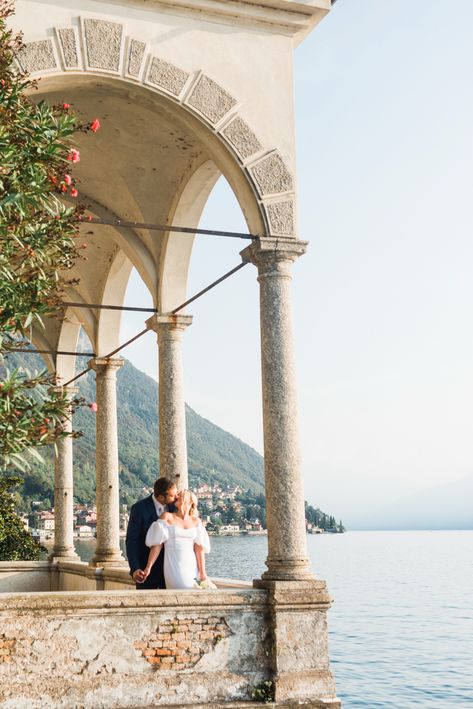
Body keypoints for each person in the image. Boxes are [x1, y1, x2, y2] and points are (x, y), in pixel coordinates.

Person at [142, 489, 210, 589]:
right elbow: (157, 545)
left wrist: (203, 573)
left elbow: (199, 549)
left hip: (192, 565)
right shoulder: (167, 517)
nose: (176, 496)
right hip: (174, 565)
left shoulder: (196, 522)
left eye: (180, 495)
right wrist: (148, 567)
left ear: (189, 500)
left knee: (194, 592)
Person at [125, 477, 177, 589]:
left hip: (171, 569)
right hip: (145, 571)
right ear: (161, 497)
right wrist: (135, 568)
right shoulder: (139, 508)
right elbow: (132, 540)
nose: (175, 498)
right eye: (172, 496)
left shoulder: (176, 508)